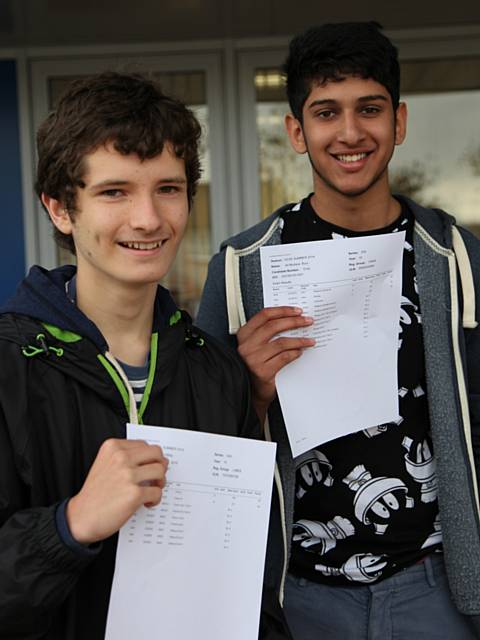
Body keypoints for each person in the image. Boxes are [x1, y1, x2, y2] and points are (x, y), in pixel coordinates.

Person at [197, 21, 480, 639]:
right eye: (327, 112)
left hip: (435, 584)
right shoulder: (242, 269)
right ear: (296, 131)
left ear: (399, 122)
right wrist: (248, 390)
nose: (350, 133)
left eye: (369, 109)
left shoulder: (457, 257)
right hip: (295, 589)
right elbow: (201, 436)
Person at [0, 71, 291, 640]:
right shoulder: (9, 369)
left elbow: (248, 576)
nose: (149, 219)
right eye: (115, 192)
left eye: (168, 188)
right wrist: (71, 524)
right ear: (61, 209)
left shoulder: (216, 369)